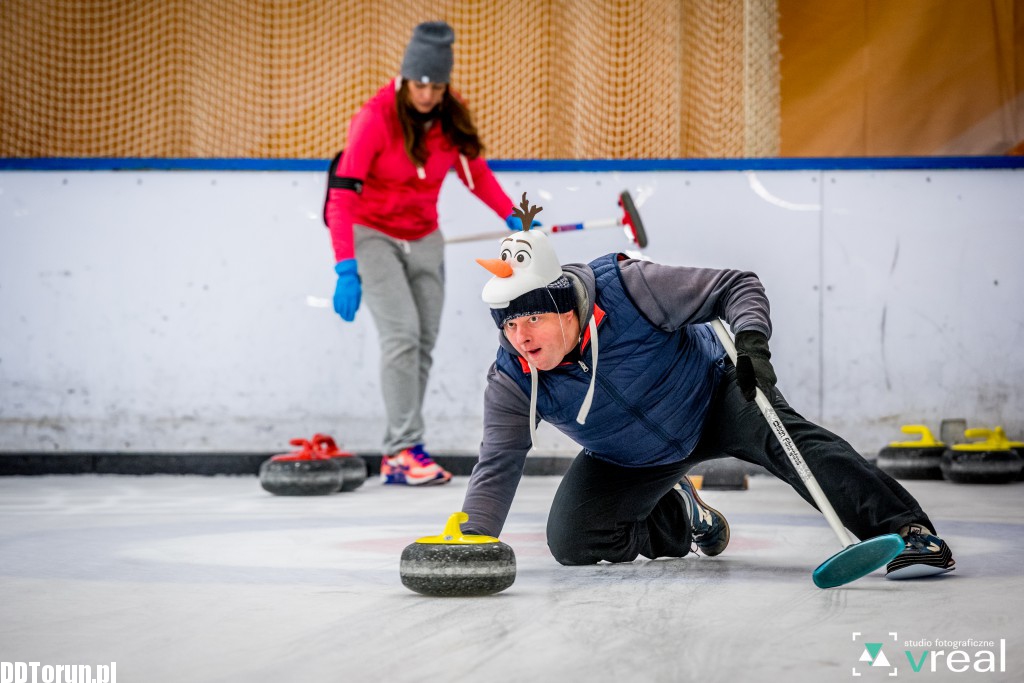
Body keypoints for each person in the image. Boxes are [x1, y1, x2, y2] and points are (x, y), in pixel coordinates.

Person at [459, 194, 955, 579]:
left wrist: (752, 345)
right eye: (507, 324)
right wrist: (475, 542)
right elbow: (498, 461)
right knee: (572, 541)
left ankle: (908, 531)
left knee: (795, 444)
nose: (520, 336)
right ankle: (679, 512)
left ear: (567, 308)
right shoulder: (514, 375)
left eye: (532, 319)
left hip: (712, 396)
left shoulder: (631, 287)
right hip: (628, 457)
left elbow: (735, 285)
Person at [324, 21, 524, 486]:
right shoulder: (376, 118)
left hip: (425, 237)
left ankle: (403, 451)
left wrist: (510, 213)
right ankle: (402, 448)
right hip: (372, 235)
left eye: (437, 85)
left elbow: (474, 173)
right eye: (420, 84)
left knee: (424, 342)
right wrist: (345, 266)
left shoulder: (450, 117)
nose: (428, 94)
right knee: (401, 337)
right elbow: (342, 195)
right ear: (405, 78)